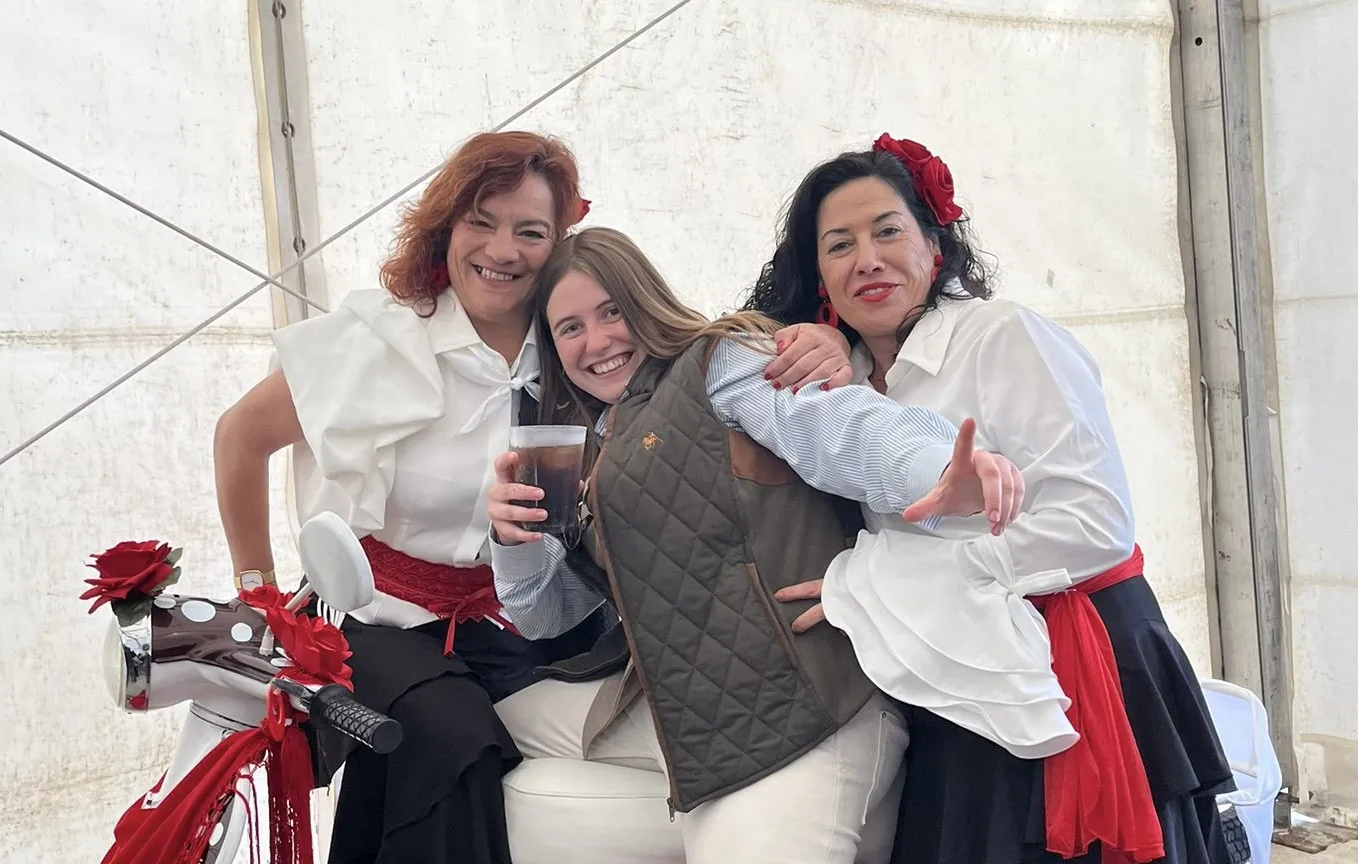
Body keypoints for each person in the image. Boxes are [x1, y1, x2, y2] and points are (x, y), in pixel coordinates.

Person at [212, 132, 860, 864]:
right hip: (387, 621)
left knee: (651, 711)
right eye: (481, 222)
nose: (503, 249)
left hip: (533, 620)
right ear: (446, 227)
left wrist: (819, 343)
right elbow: (240, 437)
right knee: (454, 738)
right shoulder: (378, 339)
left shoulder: (573, 343)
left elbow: (685, 350)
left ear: (557, 243)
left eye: (530, 231)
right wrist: (258, 598)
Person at [745, 134, 1237, 864]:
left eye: (888, 231)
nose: (867, 259)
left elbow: (1094, 524)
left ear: (934, 244)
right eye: (839, 245)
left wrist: (887, 584)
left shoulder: (1001, 334)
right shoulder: (837, 382)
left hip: (1074, 661)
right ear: (818, 274)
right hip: (955, 673)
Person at [485, 226, 1026, 864]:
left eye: (612, 312)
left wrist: (938, 471)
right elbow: (545, 617)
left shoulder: (716, 365)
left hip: (798, 710)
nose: (596, 341)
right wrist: (512, 539)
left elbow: (834, 426)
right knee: (489, 733)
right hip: (686, 704)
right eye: (570, 328)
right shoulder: (593, 443)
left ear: (646, 302)